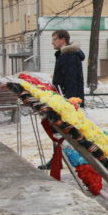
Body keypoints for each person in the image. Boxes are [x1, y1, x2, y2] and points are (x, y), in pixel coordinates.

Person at [39, 29, 85, 170]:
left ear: (63, 40)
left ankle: (70, 160)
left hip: (68, 100)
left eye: (54, 39)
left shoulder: (69, 56)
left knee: (62, 130)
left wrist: (69, 101)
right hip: (65, 98)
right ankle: (58, 159)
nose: (52, 42)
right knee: (59, 129)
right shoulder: (64, 55)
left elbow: (71, 80)